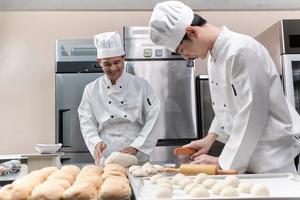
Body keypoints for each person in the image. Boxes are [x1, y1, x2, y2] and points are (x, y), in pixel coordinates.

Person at [148, 1, 300, 173]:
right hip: (245, 159)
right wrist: (211, 138)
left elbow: (252, 115)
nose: (186, 57)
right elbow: (226, 106)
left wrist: (221, 163)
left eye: (182, 50)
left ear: (191, 32)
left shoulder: (241, 51)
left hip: (271, 160)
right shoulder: (214, 57)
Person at [78, 31, 160, 165]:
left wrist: (136, 146)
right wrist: (95, 142)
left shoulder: (141, 85)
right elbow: (86, 121)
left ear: (123, 58)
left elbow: (154, 117)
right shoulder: (91, 89)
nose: (113, 68)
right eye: (107, 64)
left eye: (117, 62)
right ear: (99, 62)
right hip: (106, 151)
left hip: (135, 149)